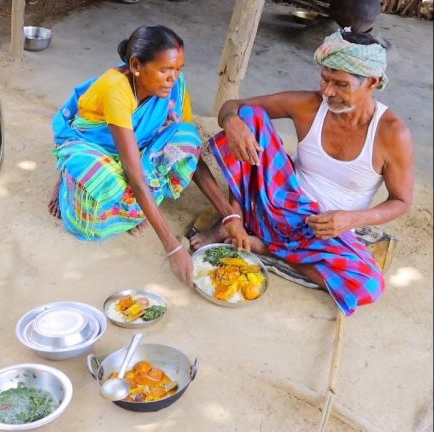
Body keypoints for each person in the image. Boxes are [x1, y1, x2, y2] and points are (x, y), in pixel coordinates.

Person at [190, 29, 413, 315]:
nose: (328, 91)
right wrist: (232, 122)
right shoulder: (309, 105)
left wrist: (351, 219)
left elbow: (401, 201)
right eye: (325, 79)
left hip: (326, 230)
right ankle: (242, 218)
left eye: (340, 84)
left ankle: (266, 246)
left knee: (368, 285)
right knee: (248, 116)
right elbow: (232, 107)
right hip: (277, 203)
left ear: (371, 82)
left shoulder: (393, 134)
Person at [49, 25, 247, 287]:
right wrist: (173, 247)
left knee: (187, 139)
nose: (173, 78)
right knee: (89, 215)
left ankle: (135, 210)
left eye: (179, 69)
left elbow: (191, 155)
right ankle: (67, 179)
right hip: (96, 149)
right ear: (135, 65)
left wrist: (229, 215)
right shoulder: (115, 88)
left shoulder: (174, 87)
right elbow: (135, 174)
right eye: (165, 70)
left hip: (137, 149)